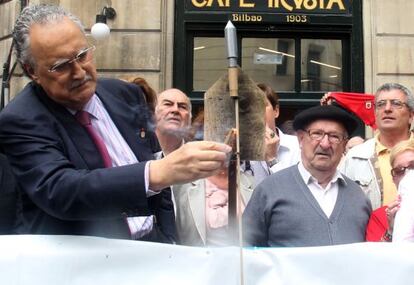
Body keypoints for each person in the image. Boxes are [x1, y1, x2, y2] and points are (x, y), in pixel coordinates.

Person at [0, 4, 231, 242]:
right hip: (87, 265)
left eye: (82, 55)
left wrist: (167, 236)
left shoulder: (125, 94)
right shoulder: (21, 119)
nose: (79, 72)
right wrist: (158, 173)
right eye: (61, 66)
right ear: (32, 70)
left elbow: (153, 169)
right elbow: (62, 190)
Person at [243, 105, 371, 247]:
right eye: (316, 134)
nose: (325, 143)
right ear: (301, 139)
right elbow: (246, 250)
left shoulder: (358, 197)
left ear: (344, 144)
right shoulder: (269, 190)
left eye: (334, 136)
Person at [341, 83, 414, 210]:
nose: (387, 109)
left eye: (396, 103)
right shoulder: (355, 157)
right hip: (370, 229)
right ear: (375, 114)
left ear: (411, 116)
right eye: (381, 104)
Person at [248, 83, 300, 185]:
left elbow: (296, 194)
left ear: (276, 111)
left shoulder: (298, 147)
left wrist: (272, 160)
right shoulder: (240, 152)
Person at [366, 139, 414, 242]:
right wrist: (391, 230)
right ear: (394, 179)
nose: (408, 174)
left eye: (413, 166)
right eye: (399, 171)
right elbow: (374, 257)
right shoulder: (380, 216)